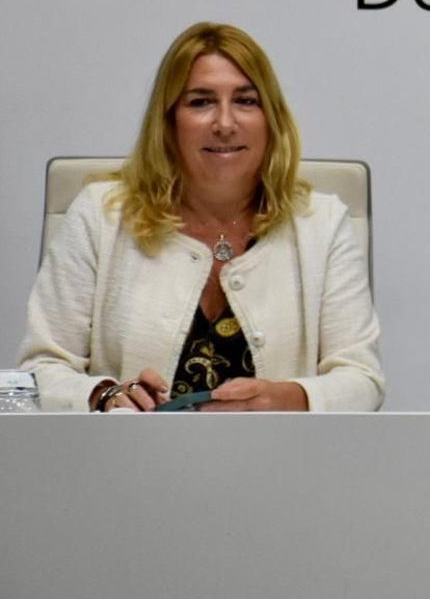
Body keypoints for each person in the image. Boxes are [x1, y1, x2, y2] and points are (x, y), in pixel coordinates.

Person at [19, 23, 384, 412]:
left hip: (279, 452)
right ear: (169, 120)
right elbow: (41, 371)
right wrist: (104, 395)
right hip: (127, 451)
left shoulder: (321, 224)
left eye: (246, 101)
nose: (225, 124)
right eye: (201, 102)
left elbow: (362, 380)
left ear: (271, 118)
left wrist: (283, 399)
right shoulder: (101, 215)